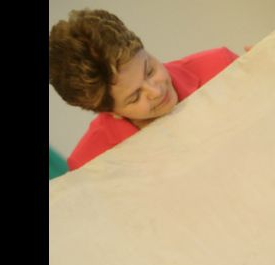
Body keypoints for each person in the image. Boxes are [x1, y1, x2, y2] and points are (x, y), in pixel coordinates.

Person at [49, 9, 248, 171]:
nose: (156, 91)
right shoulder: (91, 165)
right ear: (110, 112)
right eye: (135, 97)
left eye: (150, 70)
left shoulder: (222, 67)